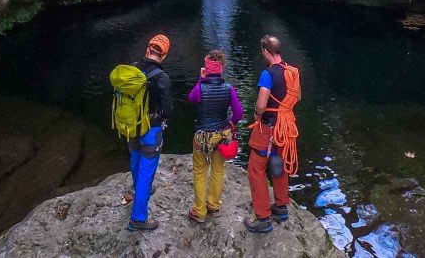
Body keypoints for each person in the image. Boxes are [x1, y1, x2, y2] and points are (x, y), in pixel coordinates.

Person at [244, 35, 299, 234]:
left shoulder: (267, 74)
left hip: (269, 127)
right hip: (286, 127)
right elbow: (297, 97)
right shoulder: (292, 71)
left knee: (256, 169)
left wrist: (257, 115)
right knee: (278, 164)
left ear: (266, 52)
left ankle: (263, 217)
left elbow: (261, 103)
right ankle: (282, 206)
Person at [187, 50, 244, 224]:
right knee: (218, 171)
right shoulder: (229, 89)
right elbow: (239, 113)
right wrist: (231, 124)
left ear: (207, 68)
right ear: (221, 68)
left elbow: (191, 99)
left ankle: (199, 210)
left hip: (202, 136)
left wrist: (200, 79)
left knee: (200, 172)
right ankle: (213, 205)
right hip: (221, 135)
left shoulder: (200, 88)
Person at [127, 34, 174, 231]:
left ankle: (138, 189)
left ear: (147, 49)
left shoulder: (132, 69)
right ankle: (138, 219)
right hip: (151, 130)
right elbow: (168, 110)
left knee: (135, 160)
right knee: (147, 171)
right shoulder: (161, 78)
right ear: (163, 57)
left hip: (131, 127)